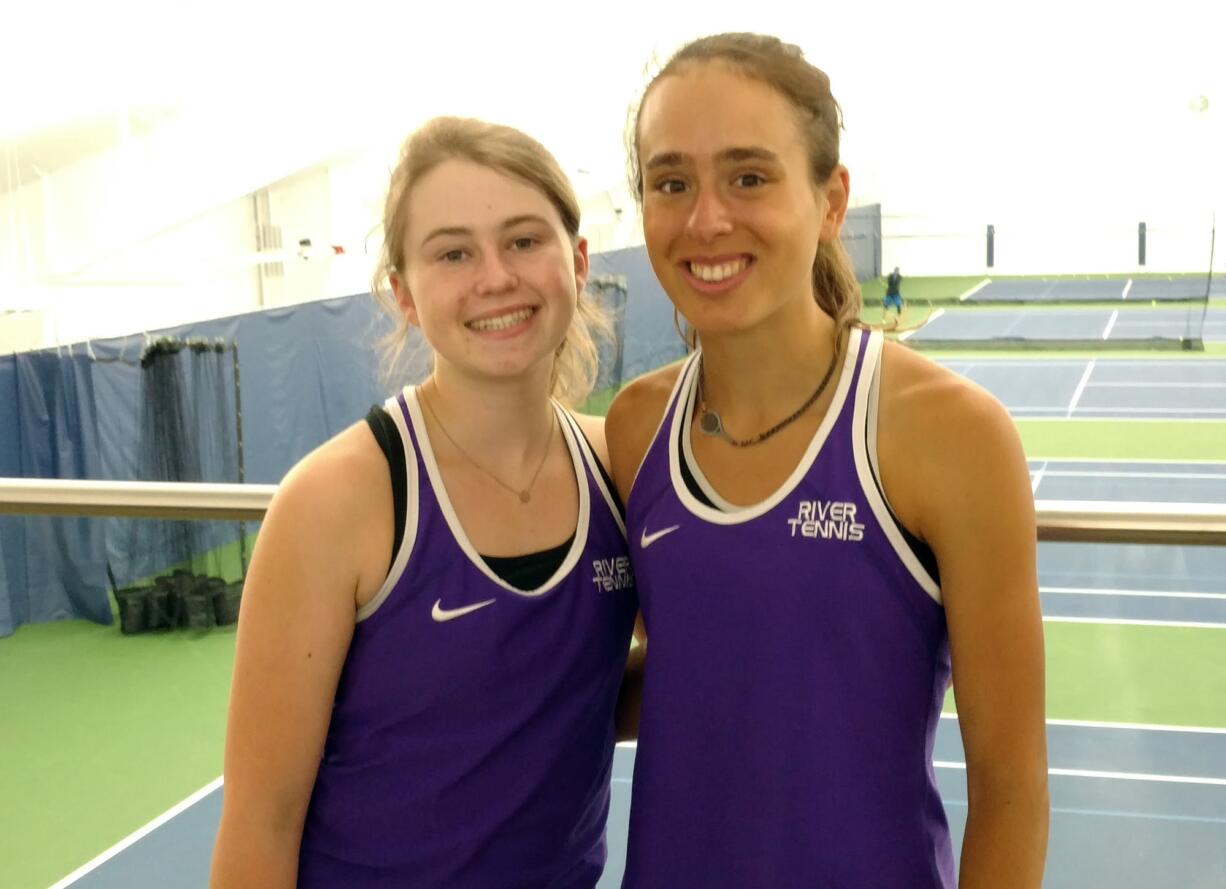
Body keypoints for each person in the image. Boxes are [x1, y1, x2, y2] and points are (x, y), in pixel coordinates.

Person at [606, 33, 1048, 888]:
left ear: (831, 199)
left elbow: (1010, 786)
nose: (705, 219)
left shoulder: (948, 433)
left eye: (748, 176)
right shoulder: (635, 429)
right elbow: (690, 671)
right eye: (671, 183)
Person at [210, 116, 638, 889]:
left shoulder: (620, 467)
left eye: (523, 240)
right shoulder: (337, 502)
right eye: (453, 253)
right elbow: (260, 821)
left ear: (576, 262)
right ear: (403, 293)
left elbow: (597, 685)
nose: (495, 277)